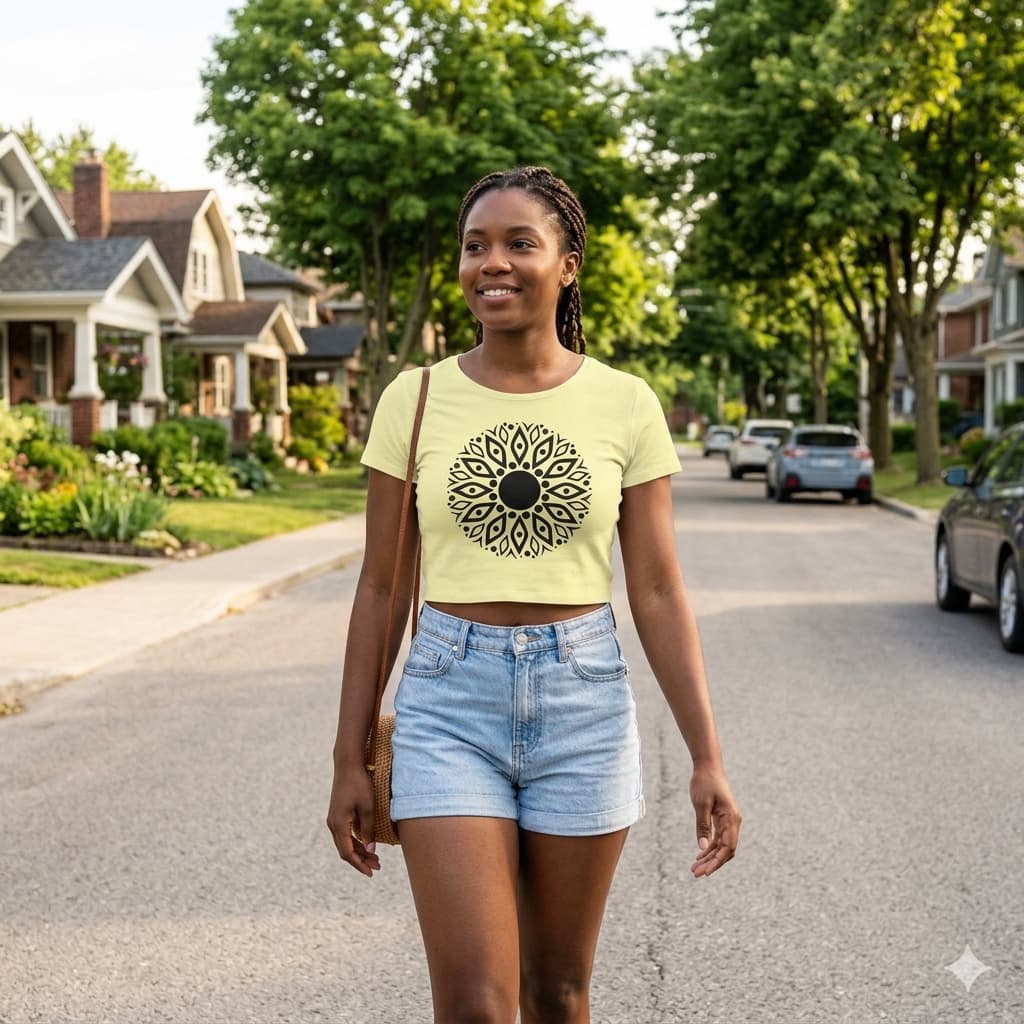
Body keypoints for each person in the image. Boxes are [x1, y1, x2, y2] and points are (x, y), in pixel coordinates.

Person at [327, 166, 741, 1024]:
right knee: (475, 1002)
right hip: (448, 703)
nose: (493, 263)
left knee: (557, 992)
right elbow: (380, 586)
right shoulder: (415, 397)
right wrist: (347, 759)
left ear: (568, 264)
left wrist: (706, 755)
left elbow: (658, 590)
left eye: (520, 243)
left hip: (583, 702)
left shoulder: (626, 403)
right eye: (475, 245)